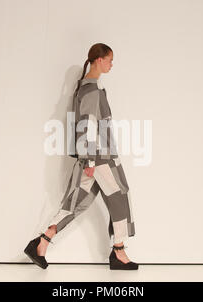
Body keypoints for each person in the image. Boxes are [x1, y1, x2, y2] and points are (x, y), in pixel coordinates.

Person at [24, 43, 138, 270]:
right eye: (109, 59)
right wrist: (89, 161)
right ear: (98, 60)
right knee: (119, 197)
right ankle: (119, 252)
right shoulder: (91, 90)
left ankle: (41, 244)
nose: (112, 64)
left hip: (97, 159)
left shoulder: (88, 89)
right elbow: (86, 126)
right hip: (100, 160)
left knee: (77, 204)